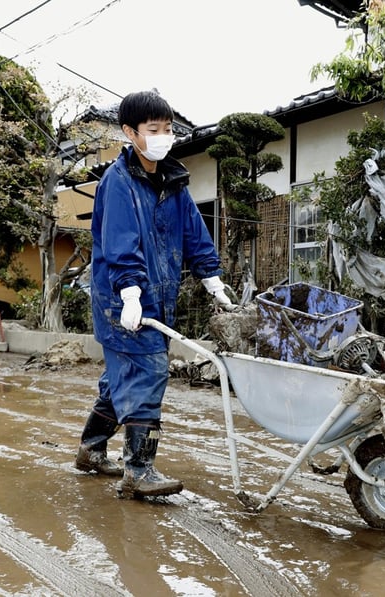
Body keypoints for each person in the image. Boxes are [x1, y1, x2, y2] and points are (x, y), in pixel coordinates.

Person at [74, 90, 233, 499]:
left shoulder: (173, 181)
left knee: (119, 380)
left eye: (168, 129)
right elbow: (120, 243)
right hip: (122, 301)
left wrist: (211, 278)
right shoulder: (118, 182)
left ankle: (91, 450)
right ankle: (139, 471)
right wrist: (130, 294)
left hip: (157, 298)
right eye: (153, 129)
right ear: (130, 132)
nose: (164, 136)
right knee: (149, 372)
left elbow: (194, 233)